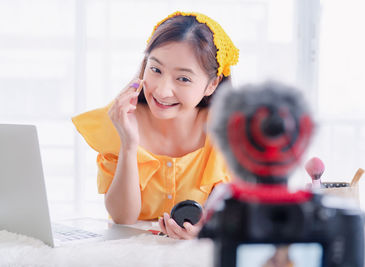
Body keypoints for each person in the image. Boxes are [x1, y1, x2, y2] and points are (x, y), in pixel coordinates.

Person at [71, 11, 239, 239]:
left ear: (212, 84)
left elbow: (232, 218)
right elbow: (123, 218)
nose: (161, 90)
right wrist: (129, 144)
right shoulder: (120, 118)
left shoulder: (226, 131)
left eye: (183, 78)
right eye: (155, 69)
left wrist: (206, 233)